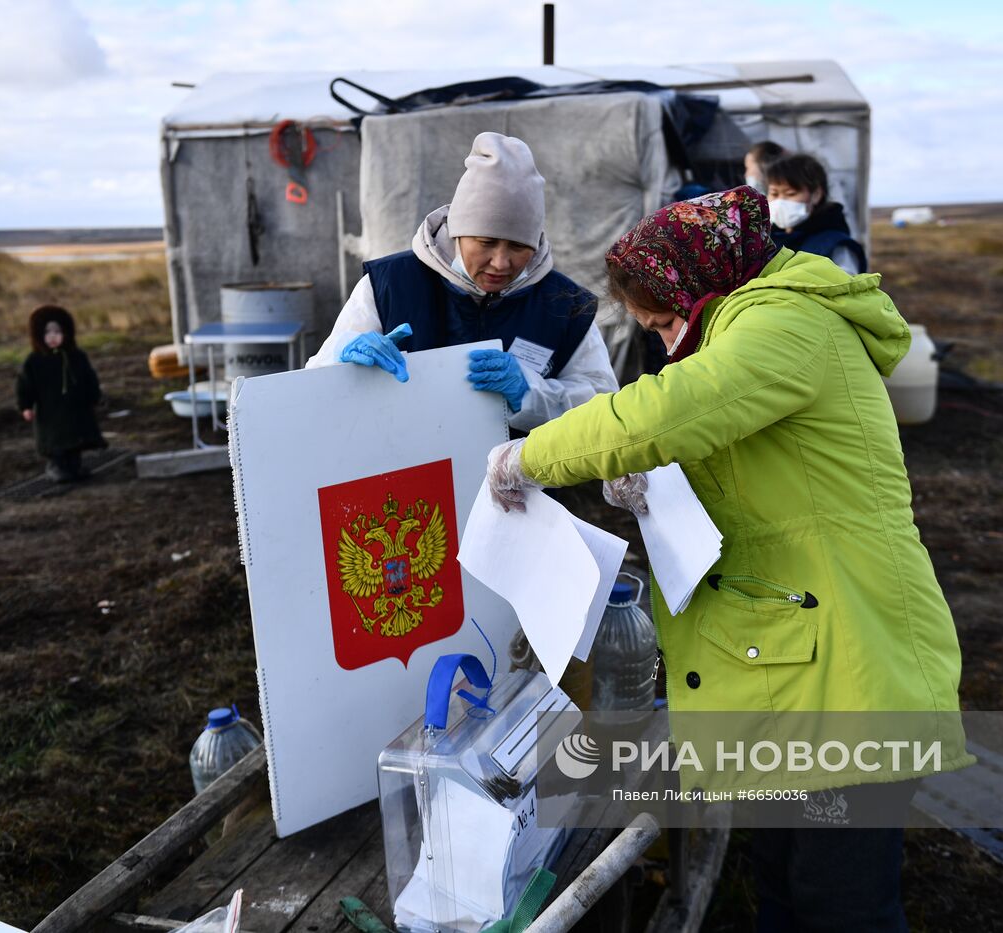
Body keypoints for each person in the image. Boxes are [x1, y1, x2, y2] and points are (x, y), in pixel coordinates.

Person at [484, 187, 968, 931]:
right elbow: (754, 468)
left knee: (843, 905)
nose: (669, 341)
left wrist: (533, 454)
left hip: (854, 662)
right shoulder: (752, 330)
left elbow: (674, 408)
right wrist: (651, 486)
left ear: (701, 282)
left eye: (668, 320)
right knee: (780, 883)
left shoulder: (788, 324)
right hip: (801, 662)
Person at [306, 132, 617, 431]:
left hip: (521, 481)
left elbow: (604, 407)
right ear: (456, 231)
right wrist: (343, 355)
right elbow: (312, 384)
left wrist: (530, 393)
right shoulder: (391, 284)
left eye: (518, 247)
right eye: (485, 242)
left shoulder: (564, 305)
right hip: (404, 475)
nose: (500, 262)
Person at [16, 304, 105, 482]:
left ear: (66, 332)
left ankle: (75, 467)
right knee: (55, 443)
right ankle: (56, 468)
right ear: (39, 335)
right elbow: (25, 384)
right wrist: (25, 406)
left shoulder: (76, 356)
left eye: (57, 332)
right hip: (50, 412)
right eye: (47, 333)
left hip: (75, 408)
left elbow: (89, 377)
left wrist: (94, 396)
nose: (53, 337)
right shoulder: (34, 361)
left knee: (75, 440)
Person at [764, 152, 868, 274]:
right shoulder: (767, 242)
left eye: (790, 194)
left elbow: (847, 287)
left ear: (816, 195)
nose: (780, 201)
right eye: (774, 194)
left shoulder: (836, 245)